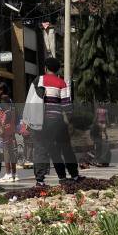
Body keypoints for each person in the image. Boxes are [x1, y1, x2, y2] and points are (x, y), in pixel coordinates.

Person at [33, 57, 81, 186]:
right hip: (58, 122)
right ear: (58, 69)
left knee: (41, 149)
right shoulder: (61, 83)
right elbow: (66, 105)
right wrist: (70, 122)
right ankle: (73, 175)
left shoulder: (38, 80)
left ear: (45, 68)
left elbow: (31, 101)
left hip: (41, 121)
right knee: (65, 148)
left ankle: (40, 180)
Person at [0, 83, 18, 183]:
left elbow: (7, 114)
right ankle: (14, 174)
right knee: (11, 151)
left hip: (6, 130)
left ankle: (8, 174)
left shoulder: (3, 100)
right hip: (11, 128)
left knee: (6, 152)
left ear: (2, 90)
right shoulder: (10, 100)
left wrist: (2, 125)